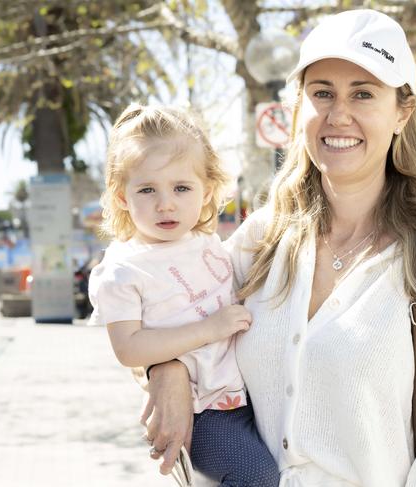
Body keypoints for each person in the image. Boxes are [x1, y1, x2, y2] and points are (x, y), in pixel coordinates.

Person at [144, 9, 416, 486]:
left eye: (363, 93)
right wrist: (166, 366)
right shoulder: (261, 242)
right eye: (322, 93)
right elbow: (163, 311)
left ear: (402, 112)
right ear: (300, 107)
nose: (340, 115)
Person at [88, 104, 280, 486]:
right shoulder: (124, 269)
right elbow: (129, 348)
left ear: (206, 191)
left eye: (181, 188)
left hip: (252, 396)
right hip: (205, 410)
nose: (166, 204)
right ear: (122, 196)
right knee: (256, 476)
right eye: (147, 189)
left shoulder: (207, 242)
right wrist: (210, 328)